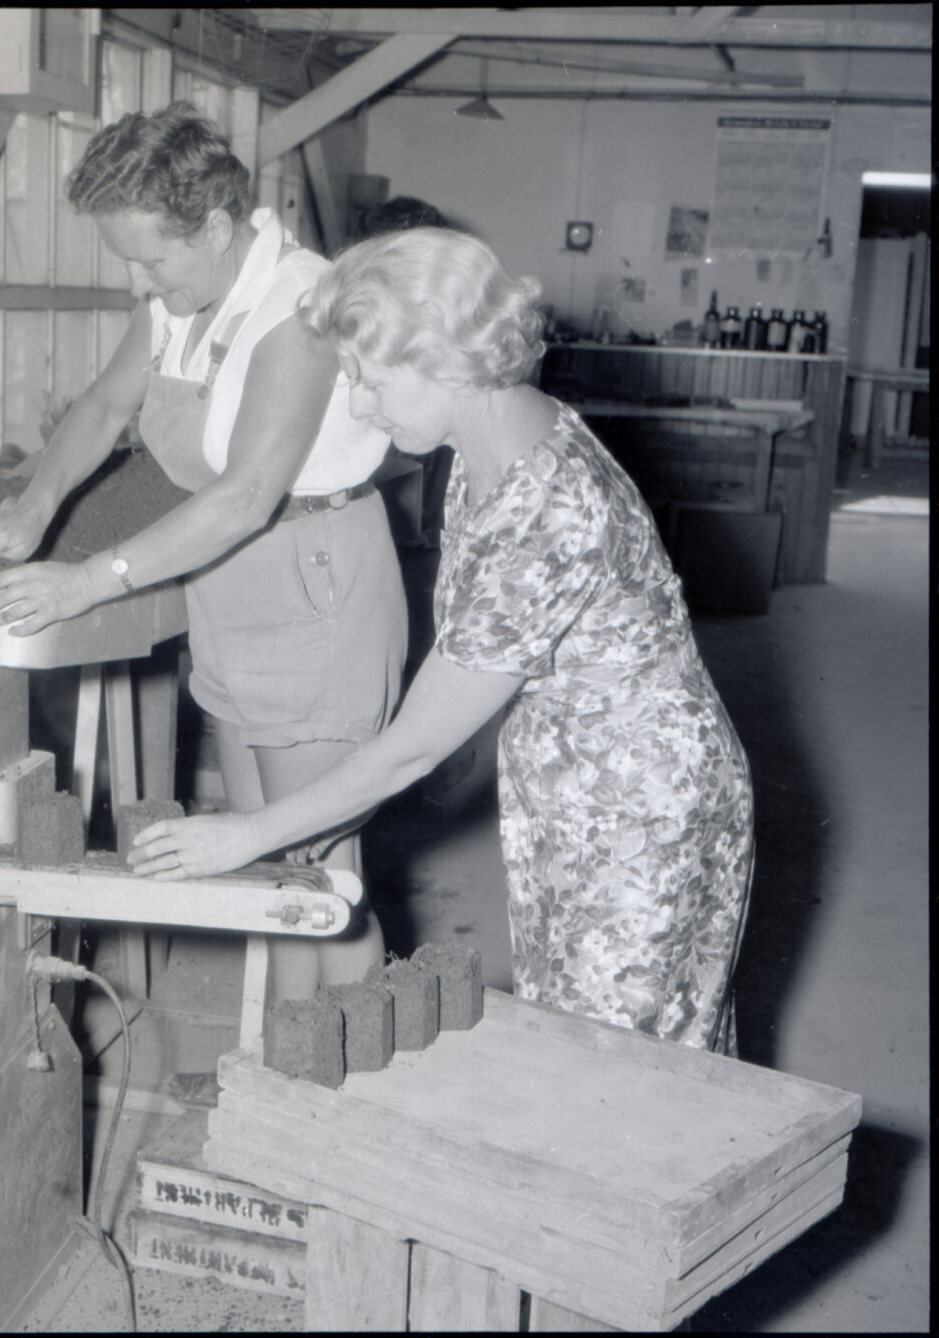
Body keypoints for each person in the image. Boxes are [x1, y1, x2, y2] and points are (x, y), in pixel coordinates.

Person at [129, 227, 755, 1052]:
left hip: (636, 811)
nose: (356, 405)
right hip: (574, 786)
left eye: (370, 380)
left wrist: (247, 833)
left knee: (618, 1075)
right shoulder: (487, 438)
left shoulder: (547, 508)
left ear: (447, 363)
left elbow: (411, 750)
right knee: (595, 1046)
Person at [0, 103, 408, 1008]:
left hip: (310, 577)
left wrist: (88, 580)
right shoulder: (183, 298)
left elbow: (248, 493)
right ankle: (287, 1064)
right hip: (225, 577)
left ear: (215, 228)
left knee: (320, 867)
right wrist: (35, 501)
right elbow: (101, 409)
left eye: (151, 258)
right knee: (262, 859)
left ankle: (356, 1088)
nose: (139, 281)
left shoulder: (299, 307)